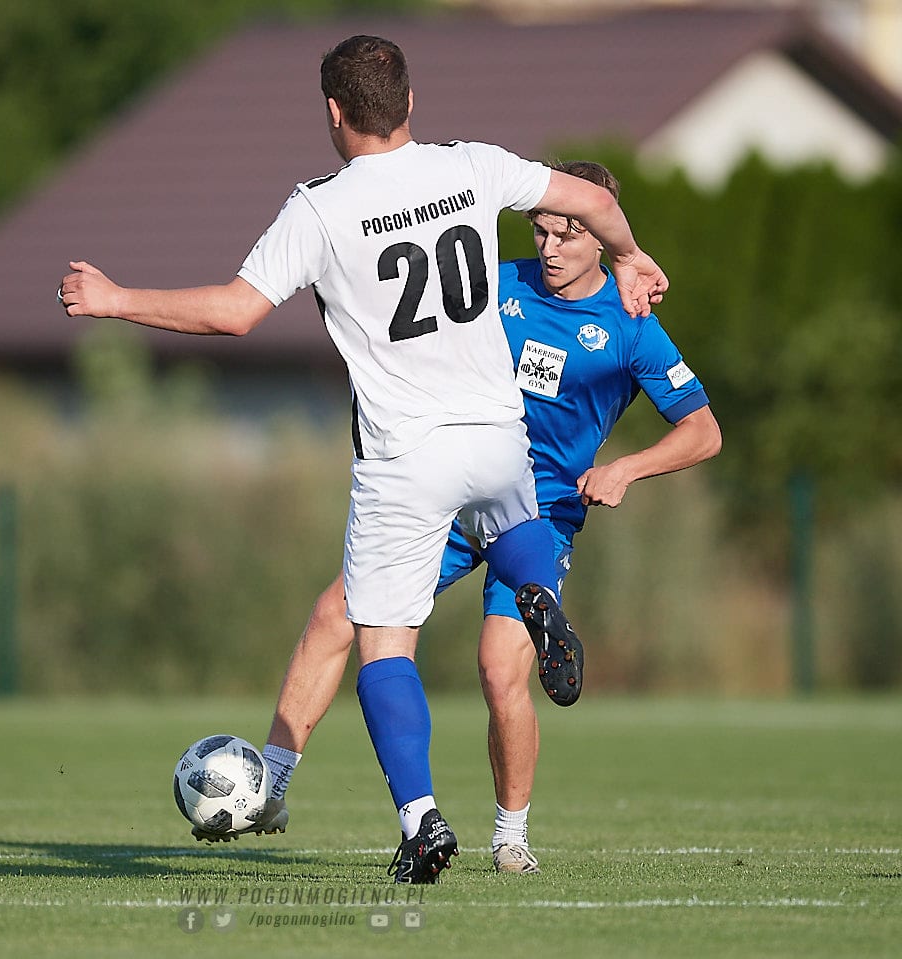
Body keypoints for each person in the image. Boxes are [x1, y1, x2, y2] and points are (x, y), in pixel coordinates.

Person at [59, 37, 669, 884]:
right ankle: (536, 588)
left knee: (383, 646)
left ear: (334, 112)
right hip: (497, 431)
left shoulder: (320, 209)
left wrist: (115, 298)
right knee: (515, 530)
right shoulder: (471, 165)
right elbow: (589, 200)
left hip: (405, 455)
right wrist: (631, 254)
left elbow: (235, 313)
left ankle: (422, 821)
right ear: (410, 101)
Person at [202, 160, 721, 878]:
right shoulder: (495, 285)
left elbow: (703, 431)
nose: (549, 248)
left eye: (568, 235)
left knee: (499, 669)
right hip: (450, 492)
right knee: (334, 614)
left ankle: (511, 837)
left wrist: (625, 468)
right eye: (540, 232)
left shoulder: (631, 326)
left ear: (602, 236)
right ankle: (272, 786)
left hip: (538, 509)